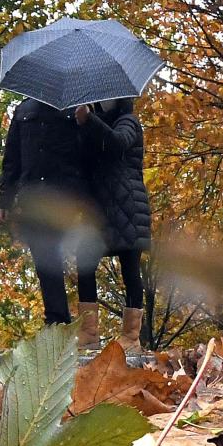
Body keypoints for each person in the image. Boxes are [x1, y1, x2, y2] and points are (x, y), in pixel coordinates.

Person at [0, 98, 94, 325]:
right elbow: (12, 158)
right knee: (44, 258)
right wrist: (5, 200)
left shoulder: (75, 109)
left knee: (63, 254)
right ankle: (57, 320)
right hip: (32, 195)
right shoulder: (23, 110)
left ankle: (75, 324)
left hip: (64, 195)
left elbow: (86, 153)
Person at [74, 98, 151, 351]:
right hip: (99, 208)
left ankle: (130, 338)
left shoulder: (129, 122)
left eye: (109, 99)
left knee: (130, 270)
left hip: (127, 205)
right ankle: (88, 334)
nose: (104, 102)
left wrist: (90, 121)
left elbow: (117, 143)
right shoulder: (93, 126)